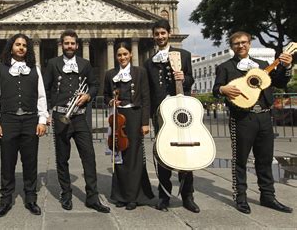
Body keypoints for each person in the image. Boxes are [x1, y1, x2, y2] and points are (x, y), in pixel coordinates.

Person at [212, 31, 293, 214]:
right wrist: (223, 89)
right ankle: (240, 197)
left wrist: (287, 67)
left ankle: (268, 196)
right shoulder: (225, 67)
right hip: (242, 118)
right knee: (240, 160)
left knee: (265, 159)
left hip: (264, 117)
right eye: (236, 43)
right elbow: (216, 89)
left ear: (249, 43)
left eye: (244, 42)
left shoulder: (263, 65)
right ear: (231, 47)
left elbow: (280, 82)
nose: (241, 46)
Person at [43, 29, 110, 213]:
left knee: (89, 157)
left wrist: (88, 95)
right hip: (60, 116)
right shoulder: (52, 64)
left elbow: (95, 84)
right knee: (62, 158)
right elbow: (45, 89)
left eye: (72, 43)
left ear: (77, 45)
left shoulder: (85, 64)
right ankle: (66, 193)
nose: (70, 46)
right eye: (66, 43)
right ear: (61, 45)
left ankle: (92, 197)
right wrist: (46, 112)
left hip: (80, 116)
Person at [0, 33, 48, 217]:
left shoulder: (35, 69)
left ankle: (31, 198)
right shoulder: (1, 69)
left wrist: (42, 120)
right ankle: (5, 199)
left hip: (30, 120)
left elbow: (41, 96)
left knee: (30, 162)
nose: (21, 47)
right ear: (11, 47)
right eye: (17, 44)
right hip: (8, 120)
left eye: (24, 45)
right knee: (7, 162)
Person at [144, 19, 200, 213]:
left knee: (186, 151)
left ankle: (188, 196)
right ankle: (164, 196)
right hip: (160, 114)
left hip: (181, 111)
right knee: (163, 154)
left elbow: (192, 79)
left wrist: (184, 78)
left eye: (163, 33)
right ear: (153, 36)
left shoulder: (183, 55)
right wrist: (148, 118)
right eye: (157, 34)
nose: (160, 36)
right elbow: (148, 91)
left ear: (168, 34)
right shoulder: (149, 62)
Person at [103, 42, 154, 210]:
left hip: (134, 115)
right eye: (119, 55)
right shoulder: (110, 74)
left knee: (134, 156)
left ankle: (133, 196)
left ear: (131, 54)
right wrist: (111, 101)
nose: (122, 57)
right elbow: (105, 95)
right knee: (118, 155)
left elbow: (146, 98)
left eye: (125, 54)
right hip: (117, 116)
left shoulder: (140, 72)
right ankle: (120, 195)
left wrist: (145, 123)